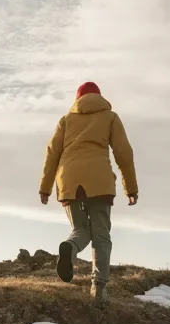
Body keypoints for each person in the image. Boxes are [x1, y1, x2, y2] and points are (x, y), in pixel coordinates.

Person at [38, 81, 137, 303]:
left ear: (78, 99)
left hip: (69, 180)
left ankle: (70, 248)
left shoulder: (66, 120)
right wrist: (130, 188)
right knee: (101, 235)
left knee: (80, 229)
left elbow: (52, 153)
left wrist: (45, 188)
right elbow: (123, 153)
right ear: (99, 97)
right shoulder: (110, 117)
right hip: (99, 181)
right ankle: (98, 289)